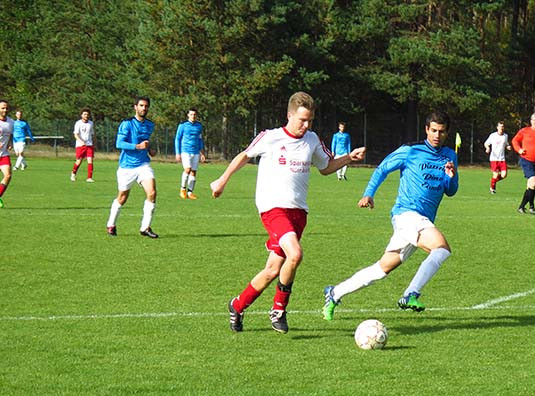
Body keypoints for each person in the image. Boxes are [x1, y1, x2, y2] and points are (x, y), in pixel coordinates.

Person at [210, 91, 365, 334]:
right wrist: (222, 180)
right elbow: (243, 156)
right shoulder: (270, 137)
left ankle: (237, 306)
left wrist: (348, 158)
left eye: (310, 121)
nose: (306, 125)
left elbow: (325, 167)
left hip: (298, 213)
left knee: (273, 269)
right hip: (272, 208)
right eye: (302, 120)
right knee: (295, 254)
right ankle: (279, 310)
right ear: (289, 115)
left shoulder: (312, 140)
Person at [322, 111, 458, 320]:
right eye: (433, 130)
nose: (437, 135)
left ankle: (334, 293)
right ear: (426, 130)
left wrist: (451, 176)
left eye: (441, 131)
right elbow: (383, 168)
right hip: (407, 215)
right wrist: (368, 193)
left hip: (423, 220)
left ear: (447, 133)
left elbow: (450, 190)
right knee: (441, 248)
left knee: (382, 268)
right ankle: (410, 293)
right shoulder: (411, 150)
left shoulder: (450, 155)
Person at [106, 96, 159, 238]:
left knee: (152, 193)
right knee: (122, 198)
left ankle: (145, 227)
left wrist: (149, 150)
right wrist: (137, 146)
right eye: (141, 105)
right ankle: (111, 224)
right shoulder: (127, 124)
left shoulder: (149, 125)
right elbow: (119, 143)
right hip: (127, 167)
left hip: (143, 164)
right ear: (135, 107)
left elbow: (145, 143)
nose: (144, 108)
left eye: (146, 106)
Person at [174, 107, 205, 199]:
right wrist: (177, 152)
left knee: (193, 172)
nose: (193, 116)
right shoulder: (182, 125)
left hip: (195, 151)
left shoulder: (199, 126)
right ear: (188, 115)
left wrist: (202, 153)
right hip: (185, 150)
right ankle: (182, 189)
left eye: (194, 114)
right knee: (188, 169)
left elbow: (200, 140)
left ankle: (190, 192)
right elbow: (177, 139)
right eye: (191, 114)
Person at [484, 121, 511, 194]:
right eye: (500, 126)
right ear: (497, 127)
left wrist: (508, 146)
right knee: (495, 175)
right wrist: (487, 148)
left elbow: (506, 144)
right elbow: (486, 143)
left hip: (502, 159)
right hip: (494, 158)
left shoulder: (505, 136)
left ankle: (492, 182)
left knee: (504, 175)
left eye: (502, 126)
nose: (501, 128)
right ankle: (492, 188)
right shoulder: (493, 135)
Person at [70, 108, 96, 182]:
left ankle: (89, 178)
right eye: (84, 114)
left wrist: (94, 143)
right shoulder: (78, 123)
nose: (86, 116)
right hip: (80, 145)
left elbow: (92, 134)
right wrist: (80, 141)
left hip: (89, 144)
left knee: (90, 160)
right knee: (79, 161)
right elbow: (75, 134)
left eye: (87, 114)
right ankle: (73, 174)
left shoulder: (91, 123)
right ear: (81, 115)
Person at [0, 100, 15, 208]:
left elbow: (10, 135)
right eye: (2, 108)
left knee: (8, 175)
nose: (5, 110)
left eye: (6, 108)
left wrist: (10, 143)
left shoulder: (11, 122)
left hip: (3, 154)